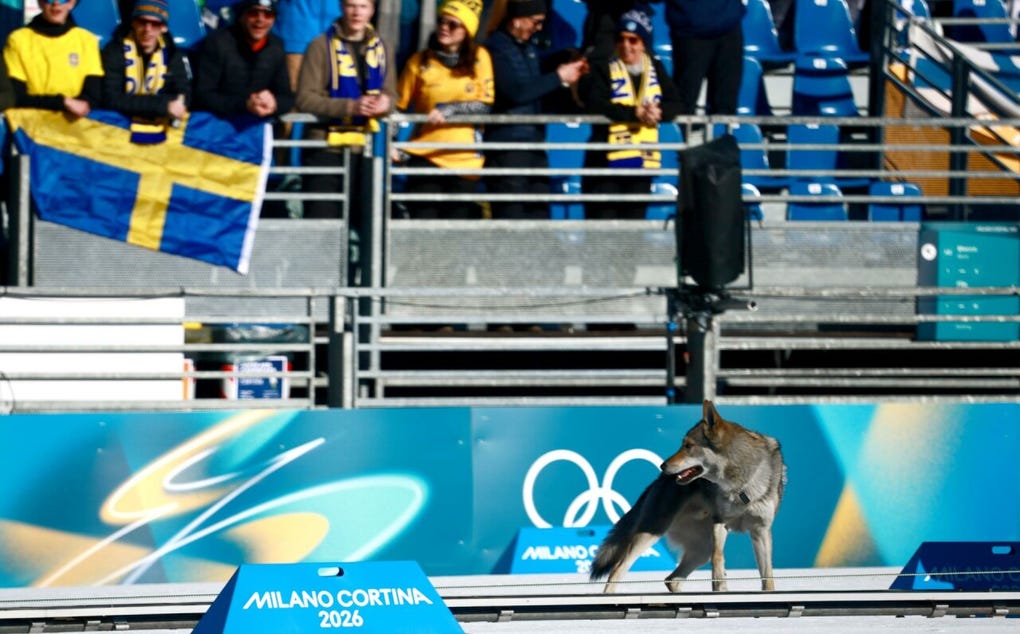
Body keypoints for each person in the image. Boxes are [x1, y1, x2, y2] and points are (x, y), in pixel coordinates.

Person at [483, 0, 587, 219]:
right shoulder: (495, 48)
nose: (539, 28)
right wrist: (559, 76)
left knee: (539, 221)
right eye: (535, 22)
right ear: (518, 19)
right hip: (507, 149)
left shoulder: (529, 49)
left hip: (534, 145)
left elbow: (537, 90)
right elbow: (515, 92)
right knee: (511, 221)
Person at [296, 0, 397, 221]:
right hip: (326, 148)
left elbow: (392, 93)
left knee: (368, 227)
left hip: (367, 150)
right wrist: (350, 107)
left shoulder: (383, 47)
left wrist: (385, 102)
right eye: (351, 5)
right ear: (341, 7)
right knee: (323, 227)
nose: (356, 12)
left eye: (363, 6)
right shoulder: (320, 46)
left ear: (372, 10)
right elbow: (305, 99)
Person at [395, 0, 494, 219]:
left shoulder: (480, 58)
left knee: (453, 236)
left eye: (453, 24)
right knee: (422, 228)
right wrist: (391, 145)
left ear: (467, 31)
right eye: (441, 21)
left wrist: (449, 110)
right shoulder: (419, 61)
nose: (444, 27)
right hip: (425, 156)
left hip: (464, 161)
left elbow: (485, 106)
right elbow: (398, 107)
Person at [582, 7, 681, 220]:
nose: (626, 46)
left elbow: (676, 103)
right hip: (605, 164)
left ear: (644, 43)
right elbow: (596, 104)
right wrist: (634, 113)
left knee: (633, 229)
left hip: (641, 164)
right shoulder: (604, 67)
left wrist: (658, 112)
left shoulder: (656, 67)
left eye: (633, 40)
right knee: (604, 229)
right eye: (621, 39)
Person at [100, 0, 192, 144]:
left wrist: (178, 102)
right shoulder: (114, 51)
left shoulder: (173, 53)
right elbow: (111, 98)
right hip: (116, 136)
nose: (147, 29)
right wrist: (164, 106)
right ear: (133, 23)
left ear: (164, 28)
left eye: (155, 24)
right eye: (142, 22)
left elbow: (184, 93)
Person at [191, 0, 294, 120]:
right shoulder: (217, 43)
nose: (260, 20)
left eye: (268, 14)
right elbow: (203, 95)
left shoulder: (276, 46)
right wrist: (246, 104)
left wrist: (274, 103)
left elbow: (287, 98)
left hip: (256, 124)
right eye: (253, 13)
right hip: (217, 124)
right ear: (241, 16)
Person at [2, 0, 103, 116]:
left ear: (72, 3)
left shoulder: (86, 40)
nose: (56, 3)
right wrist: (63, 102)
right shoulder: (18, 40)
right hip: (32, 125)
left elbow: (93, 96)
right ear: (40, 2)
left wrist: (75, 106)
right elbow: (17, 97)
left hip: (75, 124)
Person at [664, 0, 744, 115]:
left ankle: (724, 132)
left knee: (726, 105)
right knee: (684, 102)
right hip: (690, 33)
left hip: (729, 29)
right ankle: (680, 132)